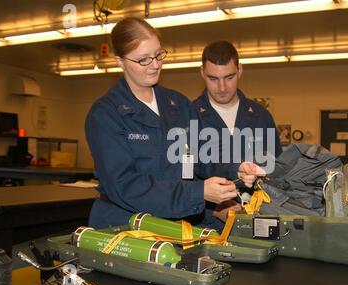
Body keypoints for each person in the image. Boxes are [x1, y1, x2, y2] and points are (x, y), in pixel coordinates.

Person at [85, 18, 261, 229]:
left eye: (158, 54)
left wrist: (236, 168)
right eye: (143, 60)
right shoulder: (106, 114)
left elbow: (201, 155)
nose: (156, 64)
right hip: (124, 227)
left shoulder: (178, 105)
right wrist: (198, 193)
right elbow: (125, 186)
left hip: (175, 223)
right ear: (120, 61)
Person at [193, 40, 283, 222]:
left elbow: (277, 172)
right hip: (206, 226)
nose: (222, 88)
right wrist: (214, 210)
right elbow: (182, 177)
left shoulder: (260, 116)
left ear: (240, 70)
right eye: (213, 79)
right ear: (202, 73)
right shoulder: (189, 117)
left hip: (256, 220)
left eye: (229, 77)